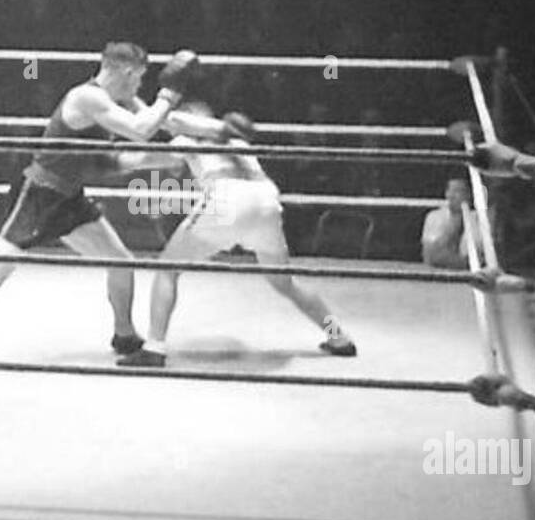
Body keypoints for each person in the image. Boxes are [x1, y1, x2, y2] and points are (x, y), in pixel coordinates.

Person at [0, 42, 201, 352]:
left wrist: (215, 134)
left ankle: (125, 335)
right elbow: (142, 129)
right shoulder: (87, 98)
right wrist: (169, 92)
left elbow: (161, 123)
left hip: (70, 198)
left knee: (121, 264)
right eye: (140, 77)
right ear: (127, 72)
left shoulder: (119, 99)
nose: (140, 86)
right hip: (39, 198)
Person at [116, 103, 357, 367]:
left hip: (227, 199)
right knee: (284, 281)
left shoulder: (186, 138)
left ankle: (154, 348)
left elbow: (145, 158)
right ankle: (338, 337)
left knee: (167, 269)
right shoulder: (235, 138)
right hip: (266, 199)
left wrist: (108, 159)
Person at [421, 177, 480, 270]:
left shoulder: (479, 220)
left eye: (457, 191)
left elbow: (476, 259)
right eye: (449, 191)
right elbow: (430, 255)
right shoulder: (434, 217)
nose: (452, 195)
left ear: (468, 195)